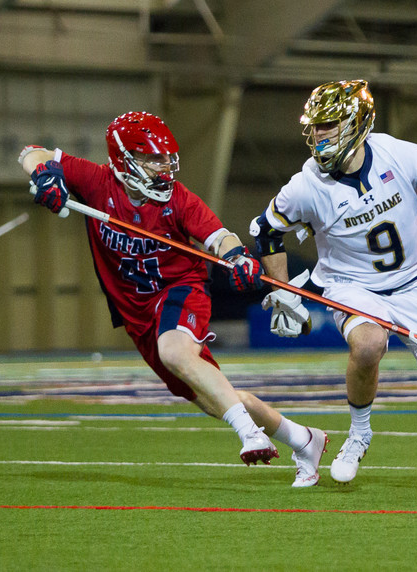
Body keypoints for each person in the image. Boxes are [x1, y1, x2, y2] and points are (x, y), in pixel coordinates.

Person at [20, 111, 328, 487]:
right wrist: (45, 175)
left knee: (175, 352)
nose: (165, 166)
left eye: (167, 157)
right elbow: (31, 153)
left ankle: (250, 434)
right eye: (154, 158)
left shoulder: (178, 199)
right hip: (136, 313)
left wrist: (238, 258)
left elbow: (220, 237)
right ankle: (304, 439)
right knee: (217, 397)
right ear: (125, 160)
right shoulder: (98, 181)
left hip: (180, 290)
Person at [251, 80, 417, 488]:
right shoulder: (306, 185)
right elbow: (266, 231)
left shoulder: (395, 153)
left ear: (356, 122)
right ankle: (359, 433)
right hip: (351, 285)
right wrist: (281, 291)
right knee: (369, 344)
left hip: (415, 281)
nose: (319, 134)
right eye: (315, 126)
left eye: (328, 124)